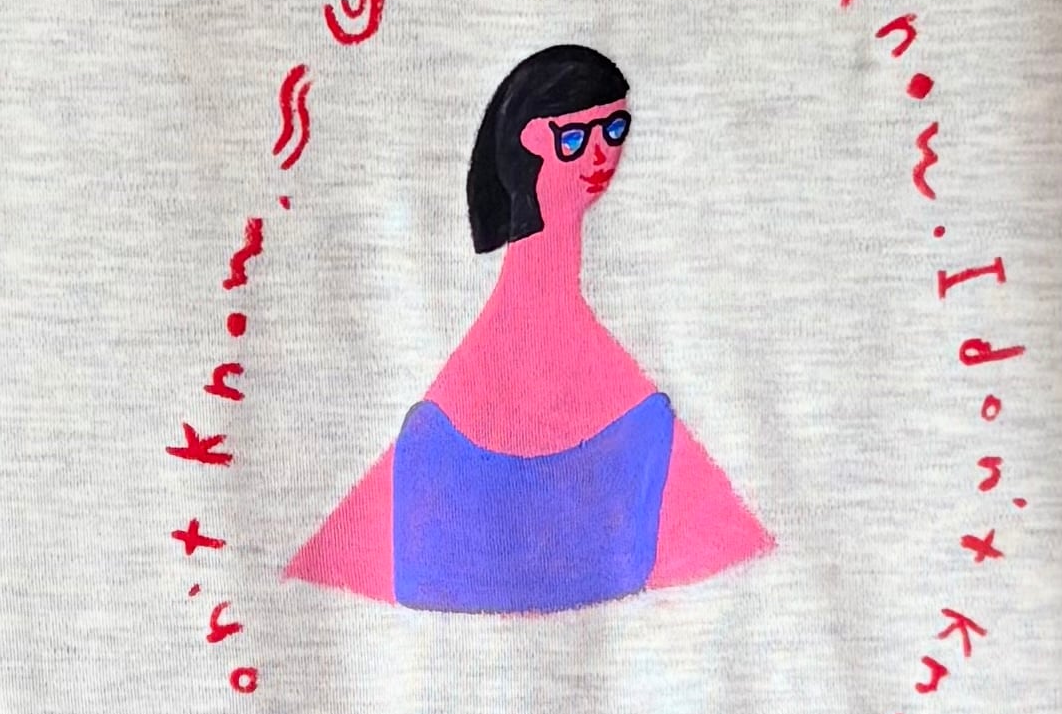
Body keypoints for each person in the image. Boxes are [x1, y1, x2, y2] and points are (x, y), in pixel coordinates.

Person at [287, 44, 770, 614]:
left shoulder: (636, 412)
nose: (602, 154)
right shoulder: (441, 431)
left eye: (614, 130)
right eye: (575, 137)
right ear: (530, 141)